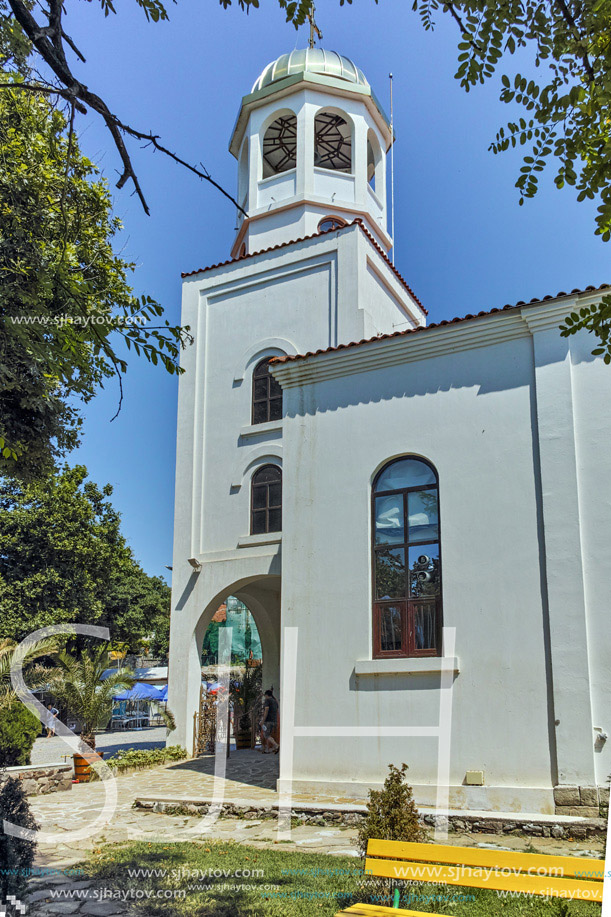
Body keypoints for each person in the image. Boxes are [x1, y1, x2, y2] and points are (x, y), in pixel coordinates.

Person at [259, 689, 279, 754]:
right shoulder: (275, 701)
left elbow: (266, 711)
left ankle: (276, 745)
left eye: (265, 695)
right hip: (275, 720)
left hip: (268, 721)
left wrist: (263, 720)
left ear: (266, 695)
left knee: (266, 735)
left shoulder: (267, 701)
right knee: (268, 735)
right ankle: (267, 749)